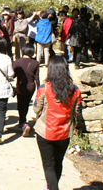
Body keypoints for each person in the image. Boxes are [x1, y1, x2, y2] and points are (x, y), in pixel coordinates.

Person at [33, 56, 82, 190]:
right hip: (64, 133)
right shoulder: (75, 90)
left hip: (45, 132)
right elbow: (77, 111)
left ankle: (52, 187)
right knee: (58, 162)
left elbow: (36, 109)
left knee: (48, 165)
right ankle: (51, 186)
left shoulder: (44, 88)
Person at [13, 43, 40, 137]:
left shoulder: (17, 62)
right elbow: (37, 78)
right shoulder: (35, 63)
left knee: (20, 105)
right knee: (26, 104)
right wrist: (39, 90)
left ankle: (23, 122)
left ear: (23, 50)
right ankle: (23, 120)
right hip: (31, 87)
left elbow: (13, 75)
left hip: (20, 87)